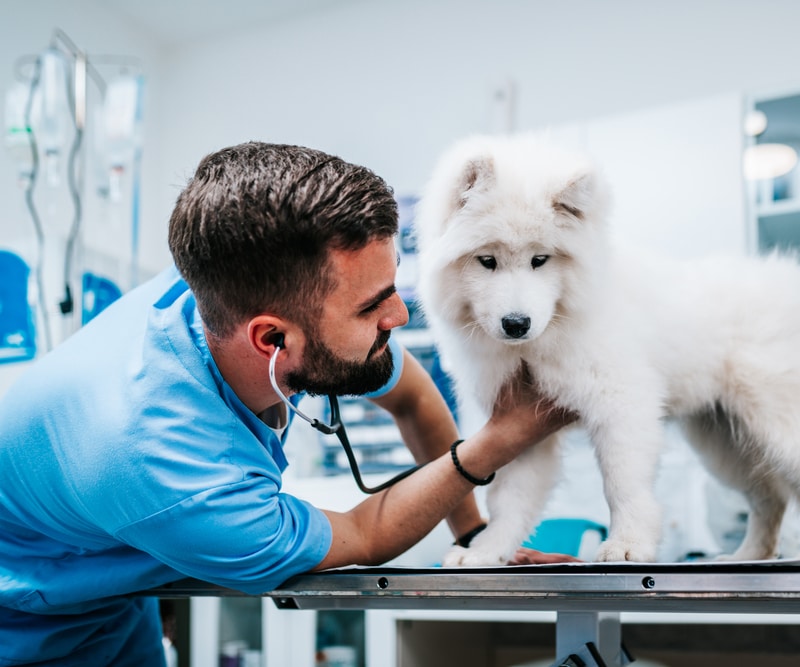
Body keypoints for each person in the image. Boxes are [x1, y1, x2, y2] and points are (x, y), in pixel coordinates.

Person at [0, 142, 575, 666]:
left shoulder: (227, 281)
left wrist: (471, 533)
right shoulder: (173, 470)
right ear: (271, 340)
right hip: (25, 624)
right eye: (372, 307)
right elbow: (365, 534)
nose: (399, 317)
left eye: (393, 287)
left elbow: (414, 400)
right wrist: (502, 437)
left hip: (111, 597)